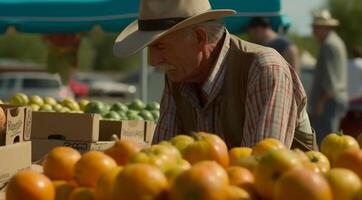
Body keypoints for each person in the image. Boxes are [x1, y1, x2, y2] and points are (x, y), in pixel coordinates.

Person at [113, 0, 317, 150]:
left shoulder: (264, 68)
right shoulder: (179, 76)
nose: (153, 61)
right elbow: (163, 157)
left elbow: (260, 171)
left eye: (161, 46)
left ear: (199, 37)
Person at [309, 9, 348, 144]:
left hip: (327, 101)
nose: (313, 31)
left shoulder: (329, 45)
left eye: (316, 27)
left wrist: (321, 102)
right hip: (332, 99)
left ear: (325, 28)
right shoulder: (336, 42)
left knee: (326, 142)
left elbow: (330, 80)